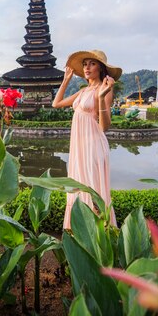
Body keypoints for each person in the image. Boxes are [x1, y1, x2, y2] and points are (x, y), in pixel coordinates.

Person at [52, 50, 122, 229]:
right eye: (85, 64)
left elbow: (104, 127)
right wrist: (66, 80)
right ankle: (78, 232)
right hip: (79, 148)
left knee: (92, 188)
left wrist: (100, 97)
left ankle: (100, 236)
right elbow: (56, 103)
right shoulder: (83, 91)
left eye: (92, 63)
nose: (87, 67)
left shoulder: (103, 90)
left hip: (93, 147)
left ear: (101, 68)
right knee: (78, 186)